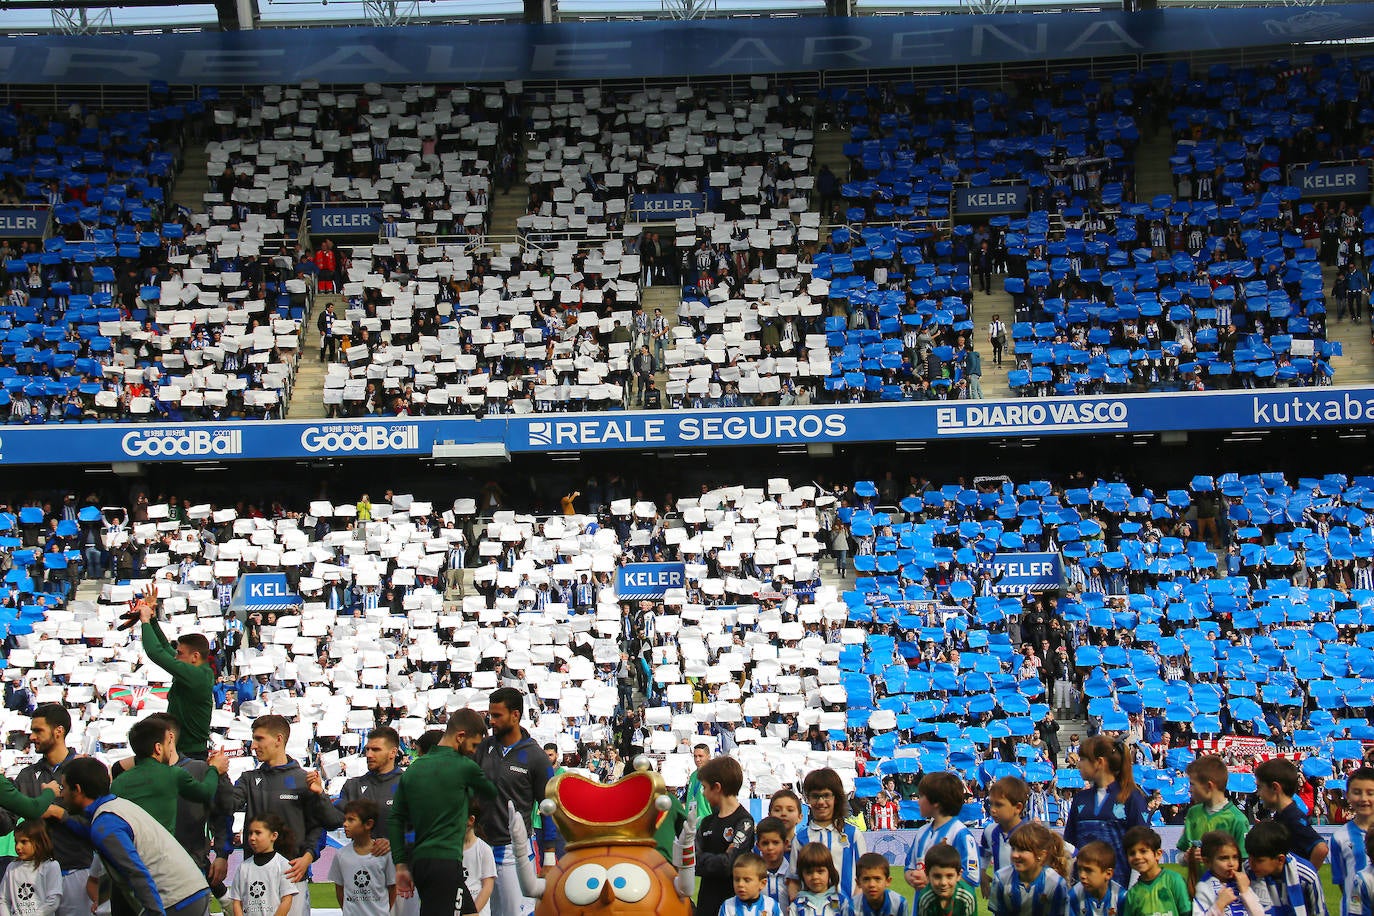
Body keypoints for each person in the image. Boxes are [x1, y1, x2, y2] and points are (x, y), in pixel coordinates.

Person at [58, 757, 212, 916]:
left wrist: (154, 913)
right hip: (188, 893)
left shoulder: (106, 823)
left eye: (63, 787)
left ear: (77, 789)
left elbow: (134, 872)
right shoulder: (114, 807)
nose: (61, 794)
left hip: (176, 900)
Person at [389, 708, 497, 916]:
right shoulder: (464, 767)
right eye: (474, 745)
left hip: (423, 861)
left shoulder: (414, 770)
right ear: (460, 736)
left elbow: (395, 819)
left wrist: (400, 864)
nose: (474, 751)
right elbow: (492, 793)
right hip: (444, 863)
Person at [234, 716, 341, 916]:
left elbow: (326, 825)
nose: (253, 746)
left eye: (259, 739)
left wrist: (308, 858)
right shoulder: (248, 779)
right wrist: (218, 774)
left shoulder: (304, 780)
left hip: (292, 877)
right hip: (255, 880)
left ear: (278, 739)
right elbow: (226, 804)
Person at [7, 704, 94, 916]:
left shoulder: (85, 770)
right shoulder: (27, 775)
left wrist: (58, 813)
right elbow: (6, 821)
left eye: (38, 731)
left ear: (59, 731)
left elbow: (98, 825)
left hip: (75, 873)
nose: (32, 737)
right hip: (36, 878)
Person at [472, 688, 551, 916]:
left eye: (497, 715)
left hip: (512, 851)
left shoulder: (535, 756)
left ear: (515, 716)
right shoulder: (483, 748)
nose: (491, 721)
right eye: (490, 715)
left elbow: (548, 808)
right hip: (480, 847)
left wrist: (549, 854)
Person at [112, 715, 229, 834]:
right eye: (168, 743)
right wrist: (214, 768)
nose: (171, 749)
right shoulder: (173, 774)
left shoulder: (118, 782)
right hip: (165, 850)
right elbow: (206, 792)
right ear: (158, 748)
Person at [132, 594, 214, 759]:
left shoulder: (197, 675)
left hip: (191, 755)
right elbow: (163, 646)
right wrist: (154, 620)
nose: (175, 656)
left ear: (195, 656)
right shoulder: (191, 669)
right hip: (179, 750)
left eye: (180, 653)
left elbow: (156, 652)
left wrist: (145, 621)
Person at [1065, 736, 1148, 880]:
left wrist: (1132, 894)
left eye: (1083, 759)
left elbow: (1142, 848)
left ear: (1099, 762)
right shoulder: (1080, 799)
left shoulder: (1132, 798)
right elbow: (1070, 843)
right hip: (1083, 894)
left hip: (1120, 893)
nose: (1079, 764)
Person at [788, 769, 863, 904]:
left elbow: (865, 875)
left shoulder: (852, 835)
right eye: (815, 796)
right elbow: (793, 881)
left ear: (836, 798)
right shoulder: (801, 838)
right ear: (808, 799)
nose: (821, 802)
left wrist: (854, 907)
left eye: (826, 795)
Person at [1180, 756, 1250, 893]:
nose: (1190, 789)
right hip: (1196, 897)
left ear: (1209, 786)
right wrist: (1186, 857)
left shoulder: (1237, 820)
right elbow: (1181, 855)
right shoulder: (1193, 814)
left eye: (1193, 784)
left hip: (1227, 899)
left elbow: (1244, 866)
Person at [696, 755, 755, 916]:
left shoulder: (744, 821)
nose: (703, 793)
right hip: (706, 904)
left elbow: (728, 864)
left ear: (717, 787)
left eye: (705, 787)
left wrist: (703, 861)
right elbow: (692, 860)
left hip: (733, 906)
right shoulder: (707, 822)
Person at [903, 772, 978, 892]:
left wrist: (929, 880)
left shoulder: (960, 834)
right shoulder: (922, 832)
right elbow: (909, 867)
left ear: (936, 803)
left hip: (950, 909)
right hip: (922, 908)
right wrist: (913, 877)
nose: (918, 801)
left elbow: (972, 877)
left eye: (921, 796)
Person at [334, 727, 404, 843]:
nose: (369, 755)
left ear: (393, 752)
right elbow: (332, 820)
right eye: (367, 749)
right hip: (360, 859)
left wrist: (395, 845)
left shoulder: (407, 785)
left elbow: (421, 828)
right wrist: (319, 794)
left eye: (376, 750)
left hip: (398, 859)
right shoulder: (353, 786)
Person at [1243, 822, 1328, 916]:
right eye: (1250, 857)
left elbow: (1319, 912)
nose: (1251, 863)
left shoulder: (1306, 875)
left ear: (1280, 859)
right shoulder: (1247, 870)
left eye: (1259, 860)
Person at [1255, 759, 1328, 868]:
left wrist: (1305, 877)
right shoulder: (1281, 815)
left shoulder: (1292, 817)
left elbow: (1321, 849)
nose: (1258, 793)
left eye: (1260, 787)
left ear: (1275, 788)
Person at [329, 799, 396, 916]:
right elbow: (339, 890)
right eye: (345, 819)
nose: (345, 824)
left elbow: (393, 888)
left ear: (368, 824)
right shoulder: (341, 855)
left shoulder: (384, 854)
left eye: (351, 820)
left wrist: (382, 911)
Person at [988, 822, 1069, 916]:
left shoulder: (1055, 883)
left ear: (1042, 855)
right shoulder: (1001, 878)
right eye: (1013, 848)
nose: (1014, 855)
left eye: (1022, 850)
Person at [229, 814, 296, 916]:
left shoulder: (283, 865)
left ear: (273, 836)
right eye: (250, 833)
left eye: (258, 833)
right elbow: (237, 902)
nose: (252, 837)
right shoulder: (243, 867)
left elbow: (287, 900)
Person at [1193, 830, 1265, 916]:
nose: (1231, 863)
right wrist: (1219, 905)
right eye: (1224, 858)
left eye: (1235, 857)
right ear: (1207, 862)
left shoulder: (1241, 882)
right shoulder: (1203, 887)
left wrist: (1246, 891)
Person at [1333, 767, 1374, 916]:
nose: (1363, 798)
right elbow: (1342, 883)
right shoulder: (1339, 837)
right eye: (1357, 792)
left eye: (1370, 793)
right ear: (1348, 796)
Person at [1123, 826, 1190, 916]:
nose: (1137, 857)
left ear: (1158, 854)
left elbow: (1186, 912)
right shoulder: (1132, 894)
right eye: (1132, 853)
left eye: (1143, 851)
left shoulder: (1174, 880)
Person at [1, 820, 63, 916]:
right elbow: (4, 899)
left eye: (24, 842)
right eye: (16, 842)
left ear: (40, 841)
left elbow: (53, 900)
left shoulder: (51, 866)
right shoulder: (12, 867)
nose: (18, 847)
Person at [981, 776, 1030, 897]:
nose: (992, 810)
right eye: (991, 804)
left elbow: (1070, 852)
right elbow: (984, 853)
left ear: (1018, 808)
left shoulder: (1031, 834)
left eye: (999, 805)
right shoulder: (990, 831)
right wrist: (982, 873)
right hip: (1000, 901)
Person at [1069, 841, 1126, 916]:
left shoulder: (1121, 897)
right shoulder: (1074, 896)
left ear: (1108, 874)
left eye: (1088, 870)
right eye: (1079, 869)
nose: (1082, 875)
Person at [915, 845, 974, 916]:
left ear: (959, 875)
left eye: (949, 876)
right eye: (937, 876)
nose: (943, 883)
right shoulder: (926, 899)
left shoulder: (967, 897)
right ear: (927, 875)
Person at [462, 799, 496, 916]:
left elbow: (488, 886)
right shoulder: (451, 849)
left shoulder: (483, 849)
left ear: (471, 820)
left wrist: (472, 911)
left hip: (478, 911)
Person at [791, 844, 841, 916]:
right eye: (809, 872)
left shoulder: (841, 902)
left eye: (820, 871)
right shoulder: (797, 905)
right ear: (802, 875)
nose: (815, 877)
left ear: (830, 872)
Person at [754, 818, 790, 904]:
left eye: (775, 842)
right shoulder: (753, 874)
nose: (770, 848)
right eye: (765, 843)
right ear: (758, 846)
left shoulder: (792, 874)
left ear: (785, 844)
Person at [684, 744, 714, 820]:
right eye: (695, 756)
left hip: (706, 823)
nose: (697, 759)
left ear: (709, 757)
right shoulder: (693, 775)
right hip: (691, 824)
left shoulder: (713, 775)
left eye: (700, 756)